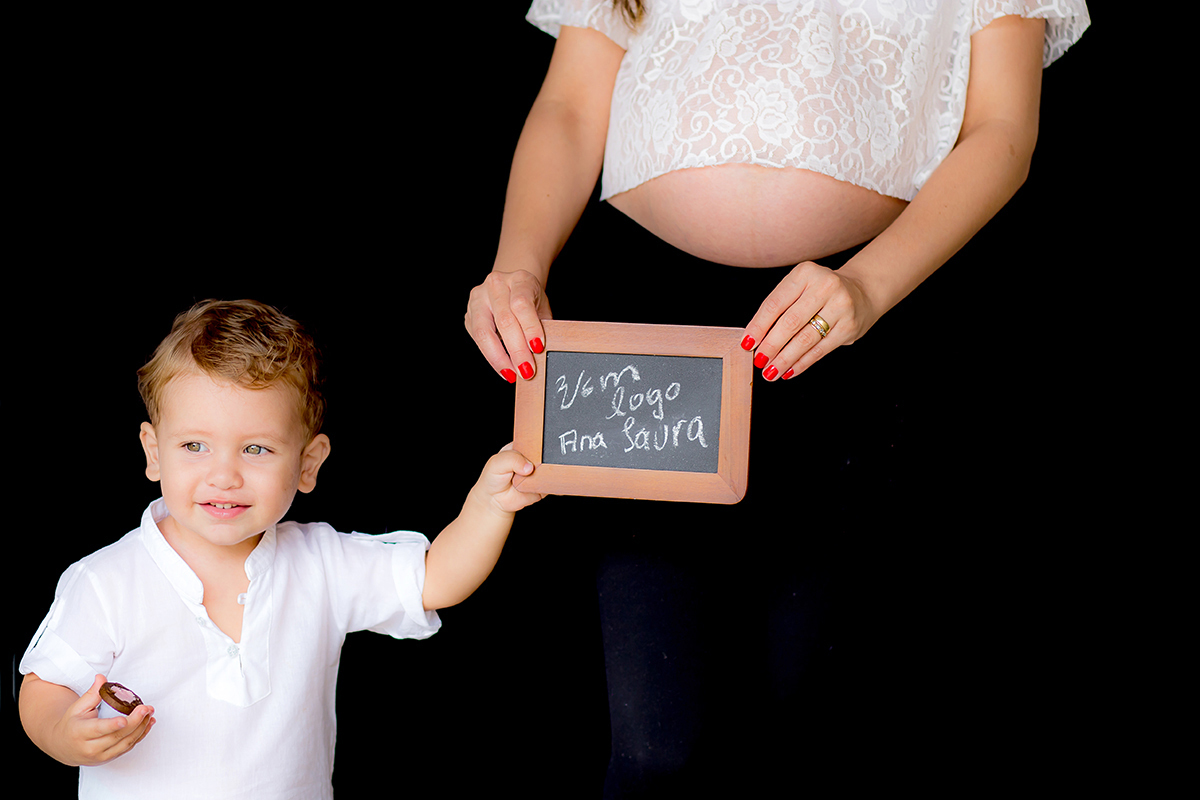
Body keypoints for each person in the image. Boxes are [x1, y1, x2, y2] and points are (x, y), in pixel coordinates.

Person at [465, 1, 1091, 795]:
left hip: (859, 316)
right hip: (654, 332)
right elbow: (571, 103)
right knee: (657, 745)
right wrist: (518, 266)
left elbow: (1003, 129)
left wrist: (869, 283)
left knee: (808, 724)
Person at [17, 298, 542, 799]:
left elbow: (435, 580)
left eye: (256, 449)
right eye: (194, 446)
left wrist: (490, 507)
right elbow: (44, 686)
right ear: (154, 453)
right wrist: (63, 733)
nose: (223, 475)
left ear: (308, 463)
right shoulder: (107, 580)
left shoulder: (321, 563)